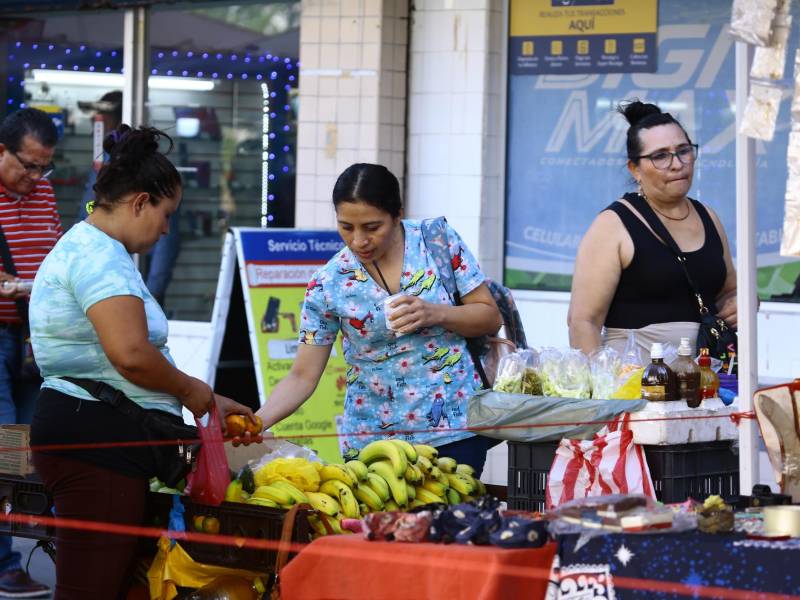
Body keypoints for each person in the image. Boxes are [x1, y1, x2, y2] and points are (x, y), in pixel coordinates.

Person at [29, 125, 256, 600]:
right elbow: (131, 355)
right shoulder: (98, 258)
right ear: (139, 202)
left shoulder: (98, 251)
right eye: (165, 213)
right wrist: (193, 392)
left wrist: (211, 399)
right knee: (91, 589)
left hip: (103, 440)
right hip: (97, 446)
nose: (167, 228)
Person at [255, 163, 502, 475]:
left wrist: (435, 312)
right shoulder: (328, 283)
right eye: (346, 227)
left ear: (397, 214)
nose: (359, 241)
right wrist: (258, 421)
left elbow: (489, 316)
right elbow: (302, 376)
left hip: (453, 430)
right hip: (371, 443)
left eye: (372, 227)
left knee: (449, 523)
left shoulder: (437, 242)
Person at [568, 101, 737, 357]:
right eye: (660, 156)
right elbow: (583, 323)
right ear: (634, 169)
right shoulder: (613, 225)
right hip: (638, 387)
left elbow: (729, 290)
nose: (677, 164)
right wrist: (602, 389)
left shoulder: (708, 216)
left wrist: (741, 304)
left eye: (683, 151)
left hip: (711, 383)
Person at [0, 107, 62, 599]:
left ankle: (10, 556)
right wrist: (22, 285)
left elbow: (54, 251)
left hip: (30, 337)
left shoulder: (42, 192)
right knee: (2, 448)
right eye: (27, 165)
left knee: (20, 450)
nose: (36, 178)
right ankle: (2, 564)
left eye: (44, 167)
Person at [78, 91, 181, 307]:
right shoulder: (106, 166)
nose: (93, 120)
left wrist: (152, 294)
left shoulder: (145, 173)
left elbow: (165, 243)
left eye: (100, 114)